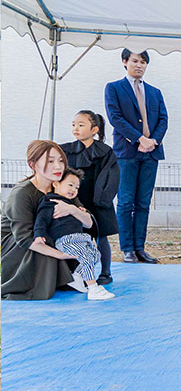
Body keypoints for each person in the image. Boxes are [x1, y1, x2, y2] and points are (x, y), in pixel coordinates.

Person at [105, 48, 168, 264]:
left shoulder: (155, 91)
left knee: (143, 202)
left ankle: (140, 247)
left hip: (151, 153)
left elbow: (163, 119)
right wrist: (139, 139)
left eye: (143, 61)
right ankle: (128, 249)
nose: (139, 65)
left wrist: (153, 141)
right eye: (135, 60)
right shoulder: (114, 88)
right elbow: (115, 118)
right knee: (125, 201)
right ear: (125, 62)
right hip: (127, 152)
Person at [2, 141, 80, 300]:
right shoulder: (22, 193)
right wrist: (60, 255)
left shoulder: (60, 187)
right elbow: (23, 238)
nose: (58, 167)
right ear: (33, 165)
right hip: (15, 244)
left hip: (42, 236)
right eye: (50, 161)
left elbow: (88, 219)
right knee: (44, 239)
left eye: (60, 160)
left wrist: (72, 209)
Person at [32, 168, 116, 301]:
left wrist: (77, 211)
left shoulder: (72, 204)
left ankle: (76, 276)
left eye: (76, 188)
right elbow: (41, 219)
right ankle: (93, 288)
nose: (73, 190)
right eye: (70, 185)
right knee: (84, 257)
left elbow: (87, 223)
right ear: (56, 184)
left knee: (95, 255)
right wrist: (39, 234)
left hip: (81, 238)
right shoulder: (50, 201)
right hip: (65, 239)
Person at [61, 111, 120, 285]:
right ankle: (76, 272)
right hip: (74, 199)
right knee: (74, 237)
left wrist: (104, 198)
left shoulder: (105, 152)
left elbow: (111, 176)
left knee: (100, 237)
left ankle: (106, 272)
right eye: (73, 124)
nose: (75, 128)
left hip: (98, 199)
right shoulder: (66, 150)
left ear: (94, 129)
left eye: (81, 125)